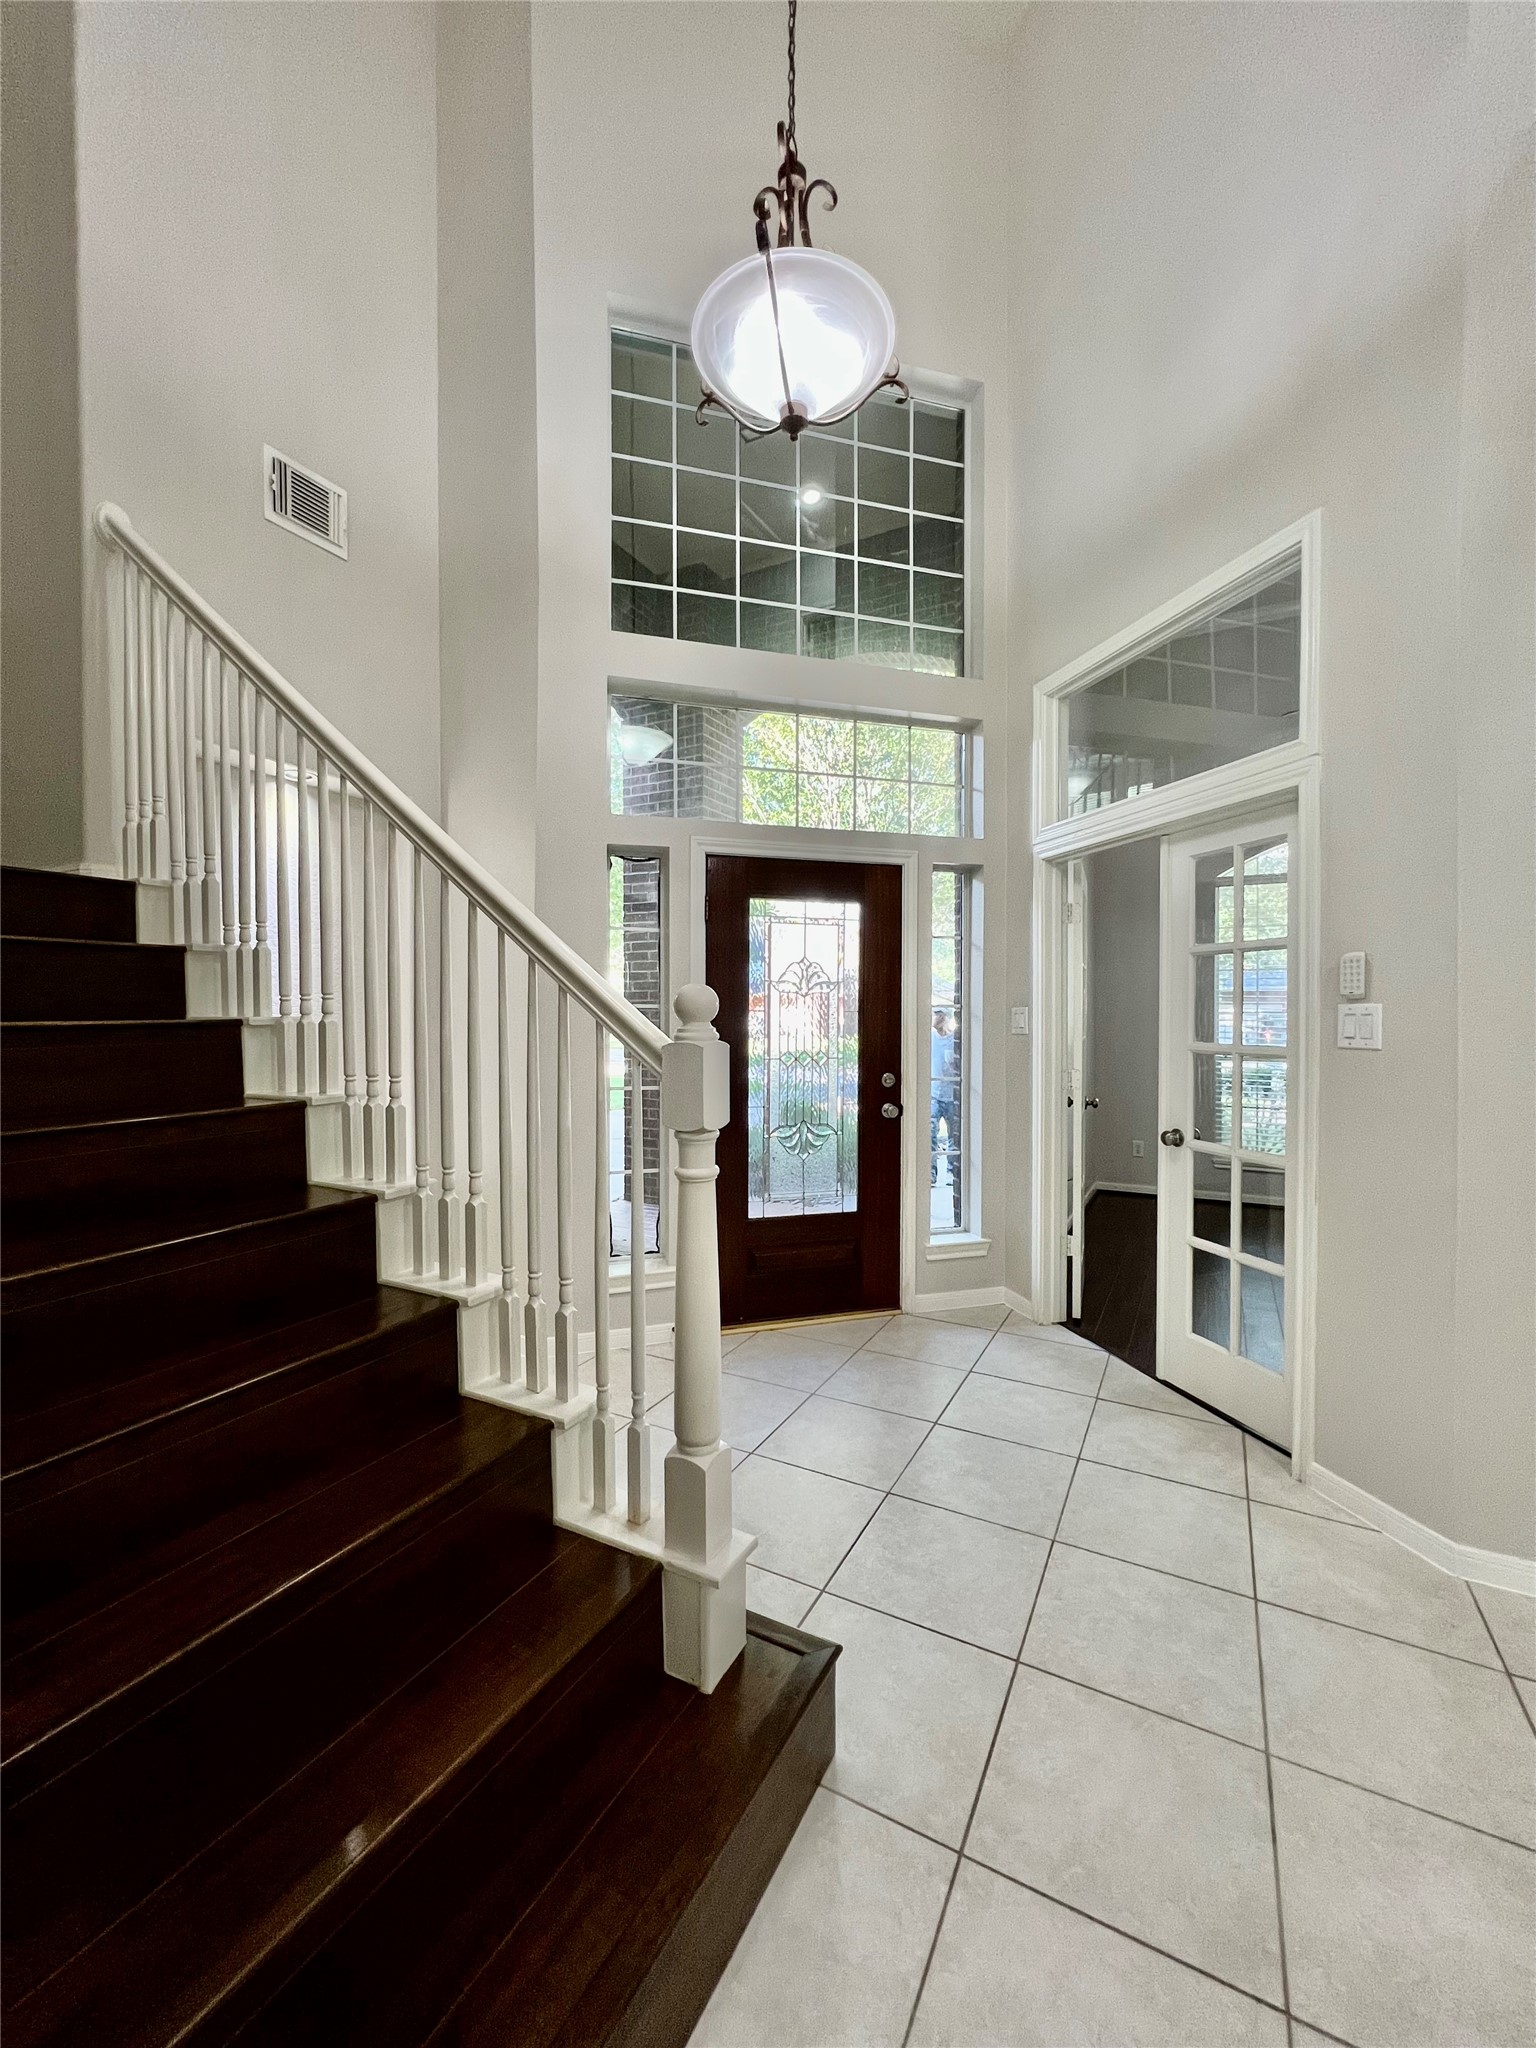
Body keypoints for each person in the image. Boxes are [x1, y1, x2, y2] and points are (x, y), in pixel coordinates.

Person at [930, 1008, 962, 1225]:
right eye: (935, 1014)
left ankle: (952, 1172)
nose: (937, 1018)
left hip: (951, 1094)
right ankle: (931, 1173)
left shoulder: (954, 1040)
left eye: (940, 1014)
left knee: (954, 1135)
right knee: (930, 1133)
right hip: (934, 1093)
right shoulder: (930, 1038)